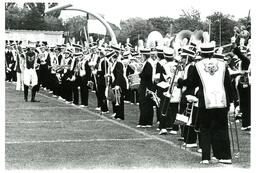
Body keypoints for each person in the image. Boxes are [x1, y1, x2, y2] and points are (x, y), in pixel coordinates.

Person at [178, 42, 234, 164]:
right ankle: (224, 156)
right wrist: (233, 101)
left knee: (206, 129)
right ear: (213, 52)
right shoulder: (223, 64)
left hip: (205, 101)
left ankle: (206, 157)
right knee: (221, 129)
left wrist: (180, 82)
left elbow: (191, 83)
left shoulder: (198, 65)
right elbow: (228, 85)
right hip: (222, 100)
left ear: (202, 53)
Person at [137, 48, 156, 127]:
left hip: (146, 86)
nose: (141, 57)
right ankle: (147, 122)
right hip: (147, 86)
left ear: (145, 55)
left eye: (141, 55)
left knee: (144, 103)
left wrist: (140, 74)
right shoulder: (148, 63)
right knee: (147, 104)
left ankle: (144, 122)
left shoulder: (148, 63)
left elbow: (147, 75)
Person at [109, 46, 127, 120]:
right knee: (115, 99)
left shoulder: (119, 63)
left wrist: (117, 84)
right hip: (115, 82)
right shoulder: (115, 62)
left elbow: (120, 75)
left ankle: (120, 115)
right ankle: (116, 113)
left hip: (119, 84)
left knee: (119, 99)